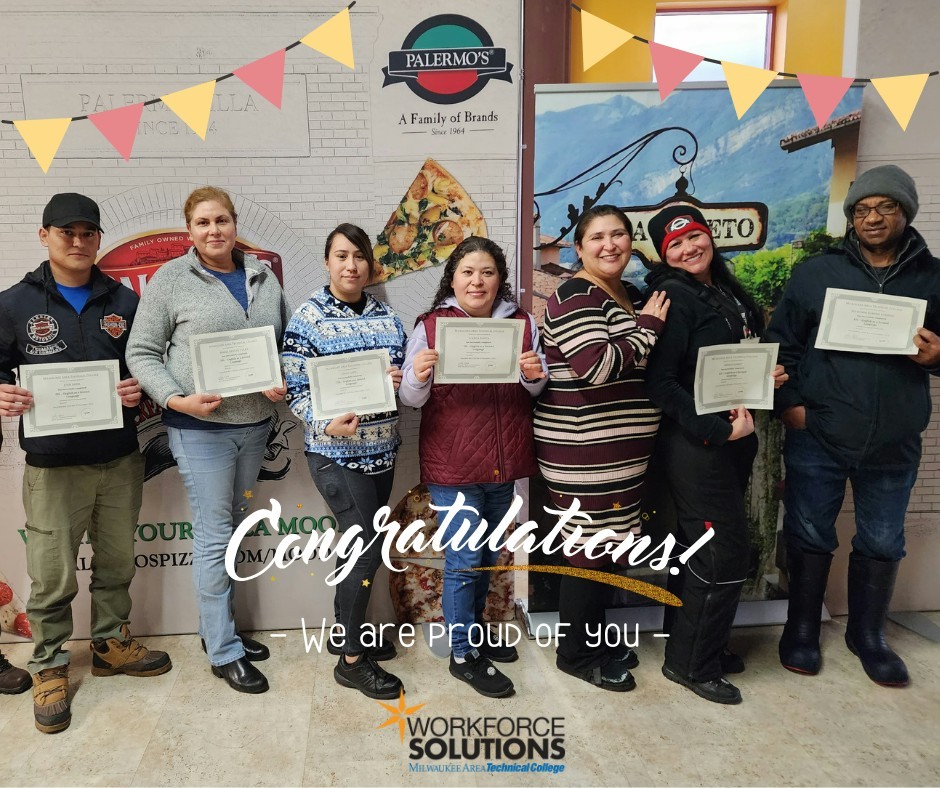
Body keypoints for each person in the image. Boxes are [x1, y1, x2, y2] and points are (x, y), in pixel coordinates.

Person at [0, 193, 171, 733]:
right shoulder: (12, 304)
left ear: (98, 239)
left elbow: (147, 363)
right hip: (52, 465)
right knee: (51, 574)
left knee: (117, 561)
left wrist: (136, 386)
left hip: (118, 458)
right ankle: (50, 663)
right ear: (44, 234)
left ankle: (110, 643)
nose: (77, 242)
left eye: (87, 233)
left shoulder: (123, 299)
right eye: (66, 231)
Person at [765, 165, 940, 687]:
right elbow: (782, 344)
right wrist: (790, 405)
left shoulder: (933, 277)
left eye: (884, 206)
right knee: (809, 533)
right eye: (861, 209)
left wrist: (937, 358)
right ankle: (799, 628)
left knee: (883, 541)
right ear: (850, 218)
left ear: (906, 212)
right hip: (818, 431)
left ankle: (868, 635)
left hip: (894, 439)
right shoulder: (815, 272)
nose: (872, 217)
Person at [126, 186, 289, 695]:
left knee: (233, 530)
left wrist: (279, 378)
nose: (214, 231)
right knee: (216, 536)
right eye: (202, 223)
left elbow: (281, 345)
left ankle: (218, 630)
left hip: (255, 425)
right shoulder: (170, 280)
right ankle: (223, 651)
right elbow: (143, 353)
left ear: (235, 224)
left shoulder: (262, 276)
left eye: (222, 220)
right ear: (189, 230)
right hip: (200, 430)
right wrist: (176, 400)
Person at [645, 204, 786, 705]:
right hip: (697, 446)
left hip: (733, 440)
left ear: (709, 237)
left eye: (694, 238)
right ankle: (691, 666)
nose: (688, 249)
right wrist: (712, 431)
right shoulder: (674, 296)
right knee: (720, 552)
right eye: (675, 244)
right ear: (664, 253)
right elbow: (660, 383)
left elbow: (735, 358)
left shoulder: (724, 290)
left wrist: (765, 379)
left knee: (699, 551)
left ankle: (699, 642)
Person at [399, 236, 547, 698]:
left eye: (486, 272)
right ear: (453, 279)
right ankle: (463, 654)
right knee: (464, 563)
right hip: (454, 464)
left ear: (499, 278)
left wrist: (533, 374)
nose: (477, 281)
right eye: (467, 272)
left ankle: (475, 639)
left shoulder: (521, 324)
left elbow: (536, 391)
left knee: (484, 560)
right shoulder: (432, 325)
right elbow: (410, 398)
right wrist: (418, 375)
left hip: (503, 463)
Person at [533, 205, 669, 692]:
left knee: (610, 547)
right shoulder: (574, 294)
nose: (610, 244)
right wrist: (649, 328)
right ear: (578, 247)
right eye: (597, 237)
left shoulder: (629, 294)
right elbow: (597, 367)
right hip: (581, 448)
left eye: (619, 235)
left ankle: (592, 637)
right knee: (588, 549)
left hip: (623, 451)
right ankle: (574, 656)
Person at [280, 223, 406, 700]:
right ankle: (352, 661)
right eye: (340, 256)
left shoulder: (386, 318)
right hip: (335, 454)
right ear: (327, 262)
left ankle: (344, 633)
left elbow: (398, 383)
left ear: (370, 265)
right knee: (364, 550)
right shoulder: (308, 318)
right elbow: (295, 389)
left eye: (358, 257)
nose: (351, 265)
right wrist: (323, 422)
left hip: (382, 452)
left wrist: (396, 379)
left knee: (358, 549)